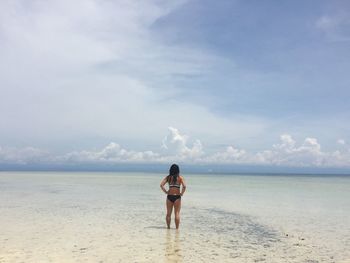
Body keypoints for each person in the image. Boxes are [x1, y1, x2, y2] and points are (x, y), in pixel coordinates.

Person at [160, 164, 186, 229]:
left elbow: (161, 185)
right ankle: (177, 229)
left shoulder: (168, 177)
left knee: (168, 213)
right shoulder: (180, 177)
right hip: (177, 197)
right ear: (178, 170)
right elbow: (184, 186)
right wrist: (181, 193)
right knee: (177, 213)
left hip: (169, 197)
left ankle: (168, 228)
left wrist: (166, 192)